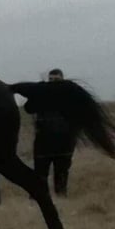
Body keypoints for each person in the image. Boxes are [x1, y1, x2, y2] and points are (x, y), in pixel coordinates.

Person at [32, 68, 79, 197]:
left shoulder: (70, 97)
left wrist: (72, 138)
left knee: (62, 171)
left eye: (56, 80)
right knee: (40, 171)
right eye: (51, 79)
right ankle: (39, 197)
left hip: (64, 141)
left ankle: (61, 196)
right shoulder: (42, 96)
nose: (53, 83)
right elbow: (31, 110)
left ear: (63, 80)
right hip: (44, 140)